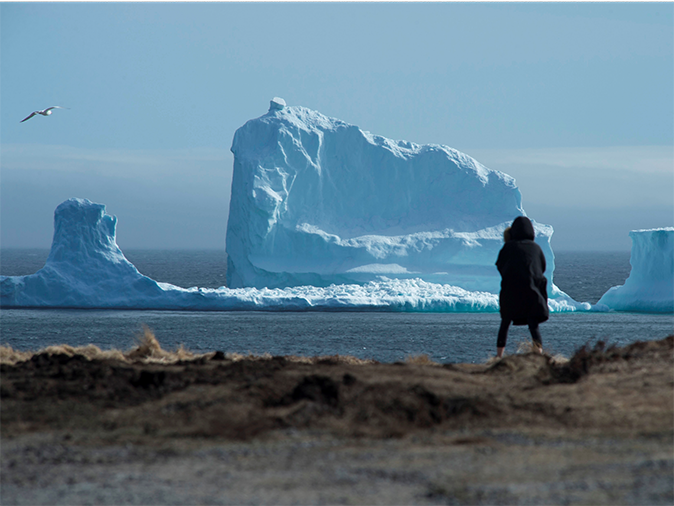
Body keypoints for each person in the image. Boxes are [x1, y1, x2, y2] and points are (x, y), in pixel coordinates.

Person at [495, 216, 549, 358]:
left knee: (505, 323)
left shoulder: (508, 247)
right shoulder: (536, 248)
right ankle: (538, 355)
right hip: (532, 291)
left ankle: (499, 356)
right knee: (533, 324)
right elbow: (542, 267)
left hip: (510, 292)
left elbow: (500, 265)